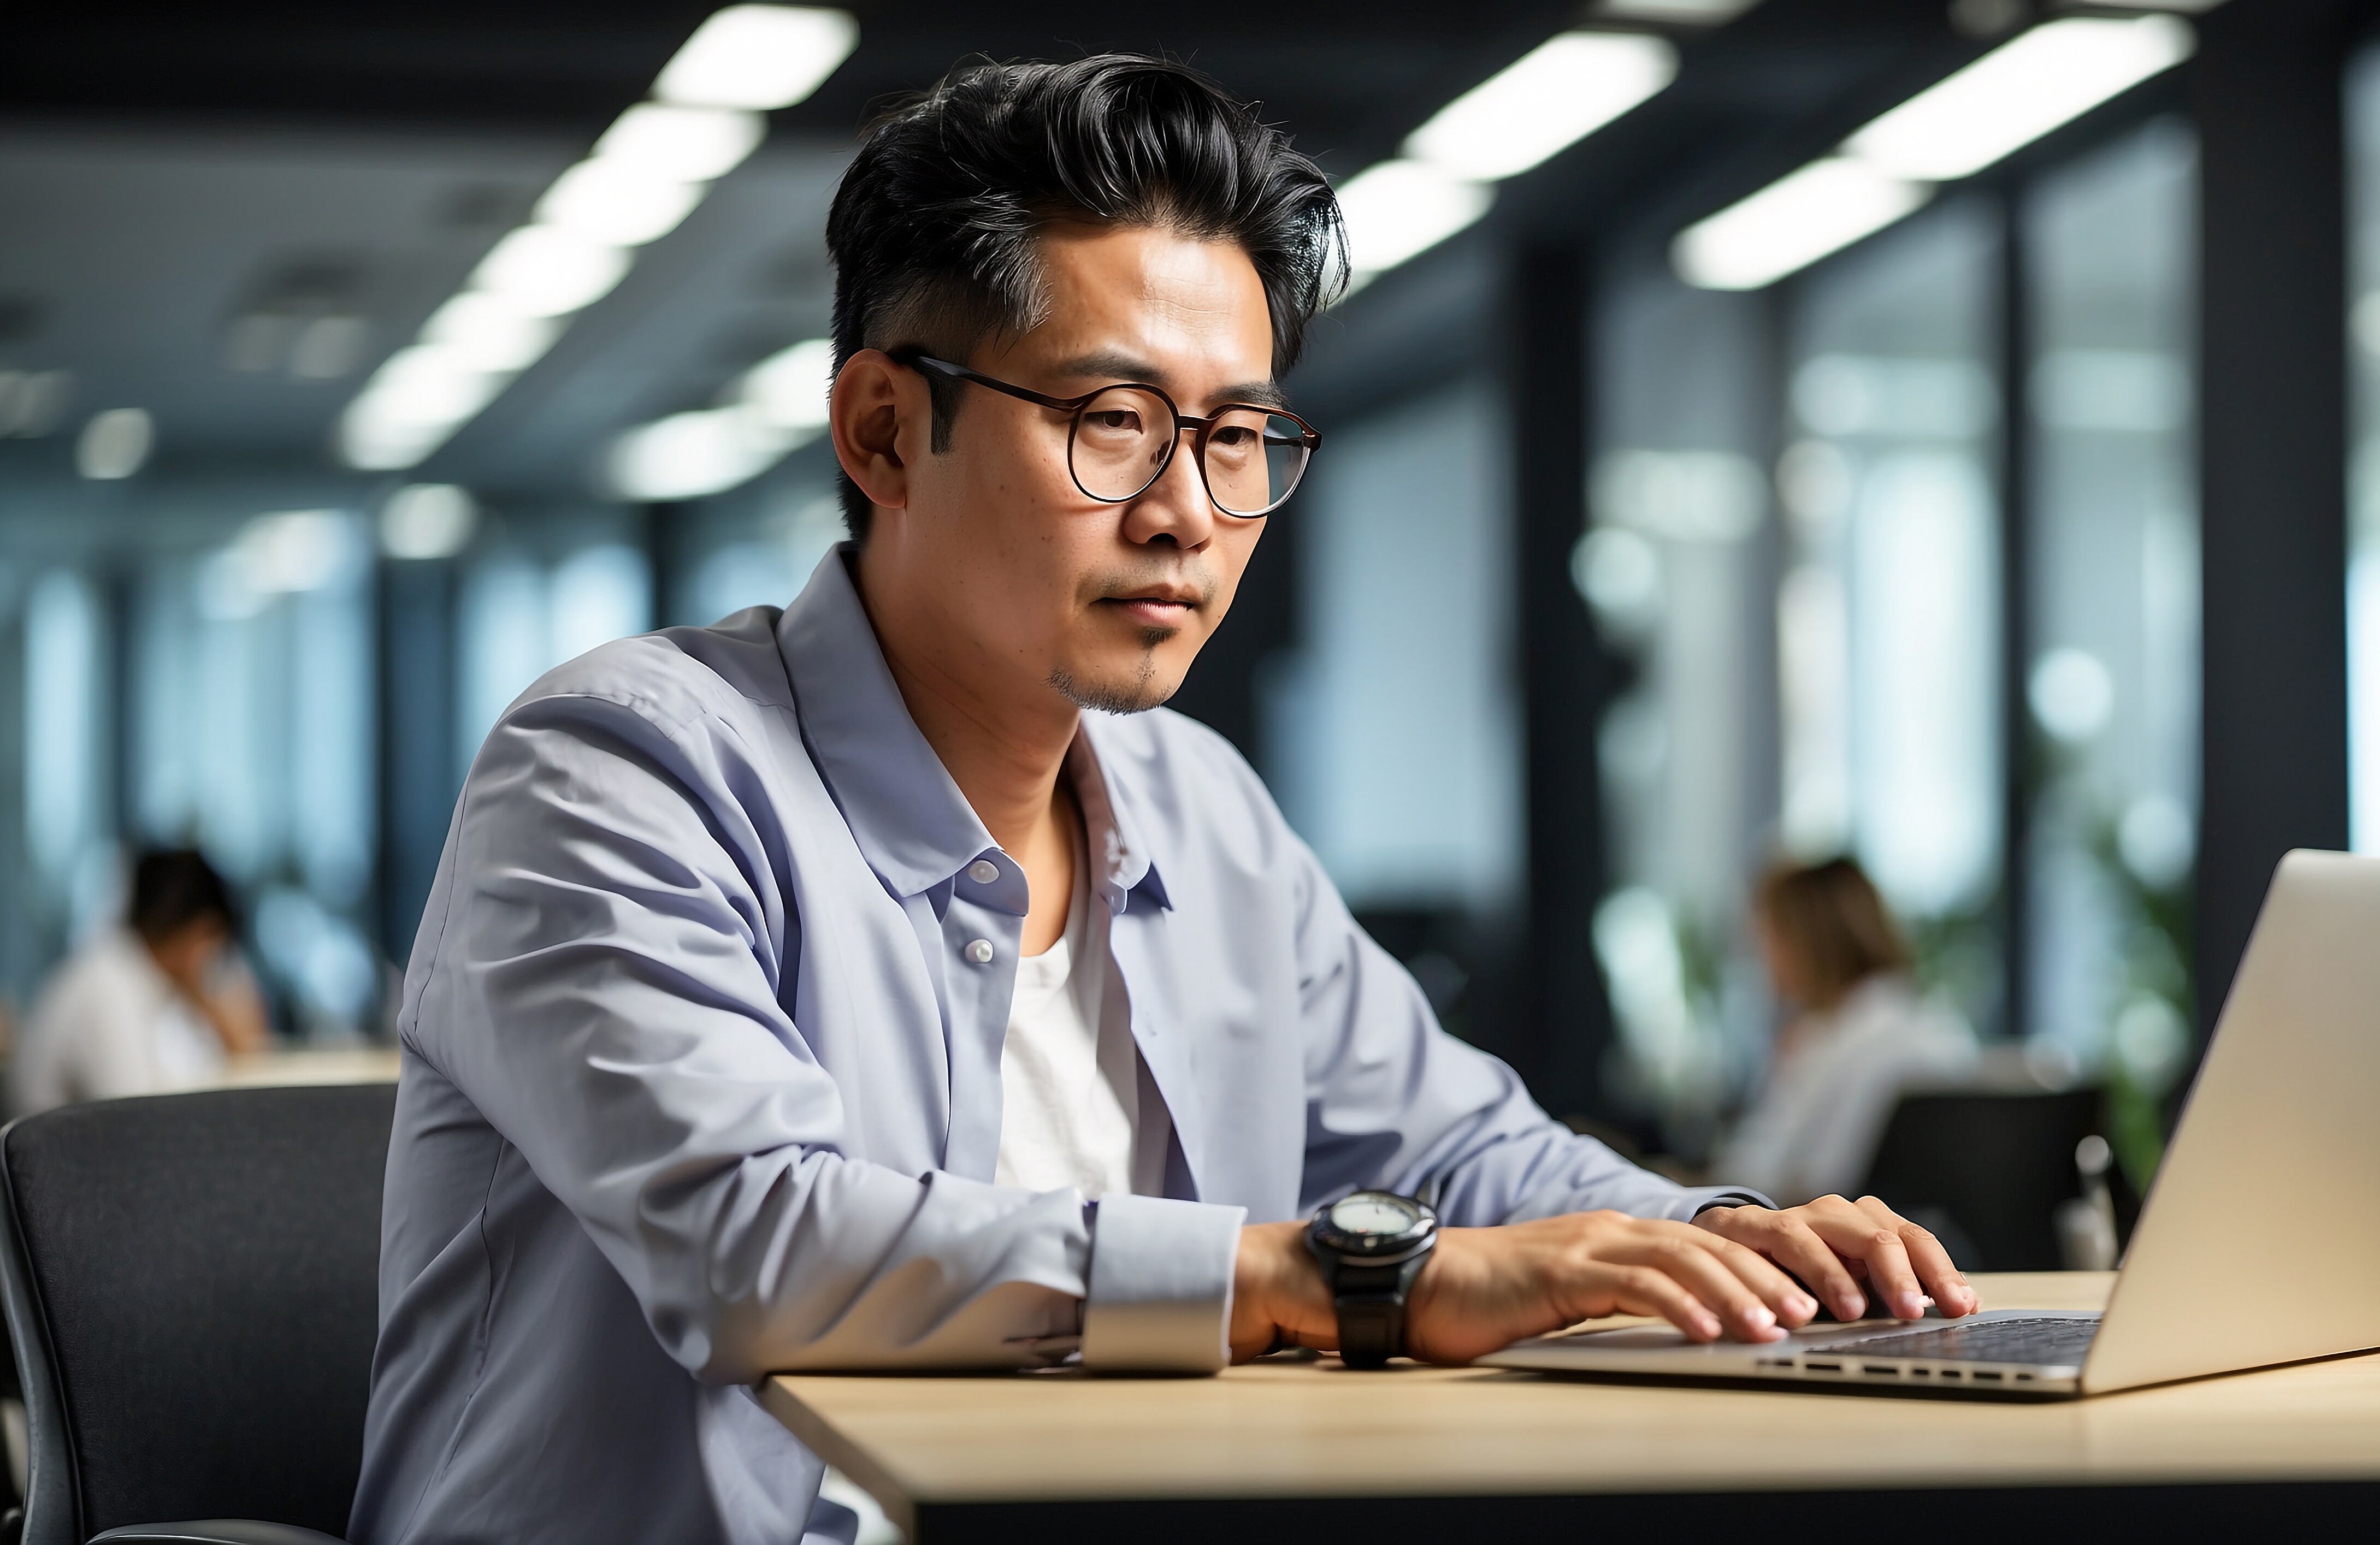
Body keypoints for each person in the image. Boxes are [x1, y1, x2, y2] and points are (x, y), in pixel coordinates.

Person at [352, 55, 1976, 1545]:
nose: (1189, 512)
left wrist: (1735, 1246)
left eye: (1239, 434)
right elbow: (756, 1244)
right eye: (1113, 422)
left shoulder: (1199, 814)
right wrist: (1329, 1280)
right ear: (884, 431)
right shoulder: (623, 771)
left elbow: (1462, 1153)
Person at [1715, 858, 1979, 1206]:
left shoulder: (1829, 1043)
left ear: (1804, 941)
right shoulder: (1941, 1029)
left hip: (1822, 1229)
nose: (1762, 957)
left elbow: (1776, 1181)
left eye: (1768, 936)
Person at [13, 848, 269, 1117]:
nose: (214, 960)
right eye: (215, 942)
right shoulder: (108, 988)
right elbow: (133, 1120)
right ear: (197, 933)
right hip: (71, 1144)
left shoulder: (143, 980)